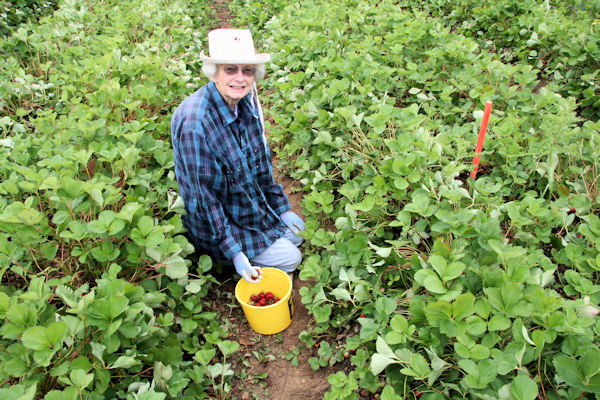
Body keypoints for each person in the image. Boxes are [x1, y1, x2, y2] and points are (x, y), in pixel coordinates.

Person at [170, 28, 304, 284]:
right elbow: (203, 200)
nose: (240, 78)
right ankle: (239, 259)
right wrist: (234, 251)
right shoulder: (195, 124)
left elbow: (261, 165)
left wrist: (281, 208)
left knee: (298, 235)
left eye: (247, 70)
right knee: (292, 258)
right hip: (221, 224)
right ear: (215, 72)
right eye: (231, 69)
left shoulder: (244, 102)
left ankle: (268, 240)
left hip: (248, 207)